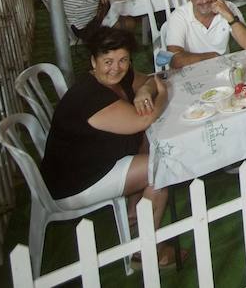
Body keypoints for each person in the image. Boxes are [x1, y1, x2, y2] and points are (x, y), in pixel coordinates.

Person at [39, 27, 177, 268]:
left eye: (123, 60)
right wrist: (161, 95)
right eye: (108, 61)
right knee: (161, 166)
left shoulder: (118, 76)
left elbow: (147, 80)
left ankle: (135, 211)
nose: (116, 67)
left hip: (96, 159)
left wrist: (143, 90)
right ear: (93, 61)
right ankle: (143, 252)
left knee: (147, 140)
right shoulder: (90, 97)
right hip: (75, 182)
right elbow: (144, 118)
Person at [162, 0, 246, 68]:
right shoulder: (179, 16)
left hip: (222, 69)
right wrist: (212, 57)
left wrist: (229, 15)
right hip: (192, 70)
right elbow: (174, 60)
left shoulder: (228, 8)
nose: (204, 1)